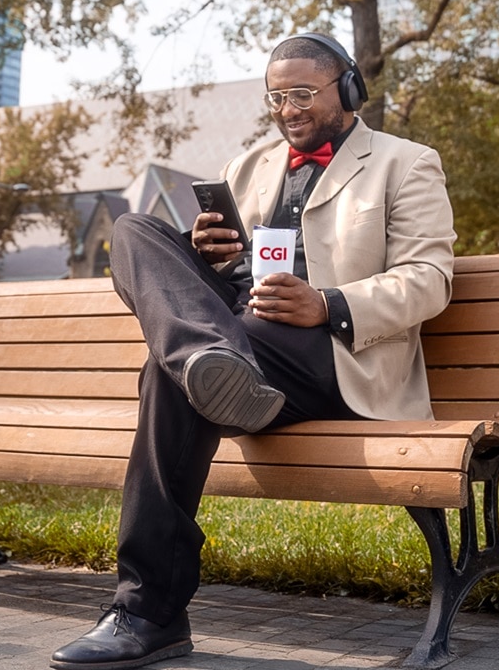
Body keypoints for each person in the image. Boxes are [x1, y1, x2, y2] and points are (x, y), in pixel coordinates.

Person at [50, 33, 456, 670]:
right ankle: (210, 363)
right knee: (136, 232)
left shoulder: (405, 162)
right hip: (245, 346)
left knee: (169, 371)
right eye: (276, 98)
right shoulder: (251, 166)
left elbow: (430, 277)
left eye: (303, 94)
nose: (289, 109)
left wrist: (329, 303)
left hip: (334, 359)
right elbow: (231, 268)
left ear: (348, 90)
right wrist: (210, 252)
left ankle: (148, 611)